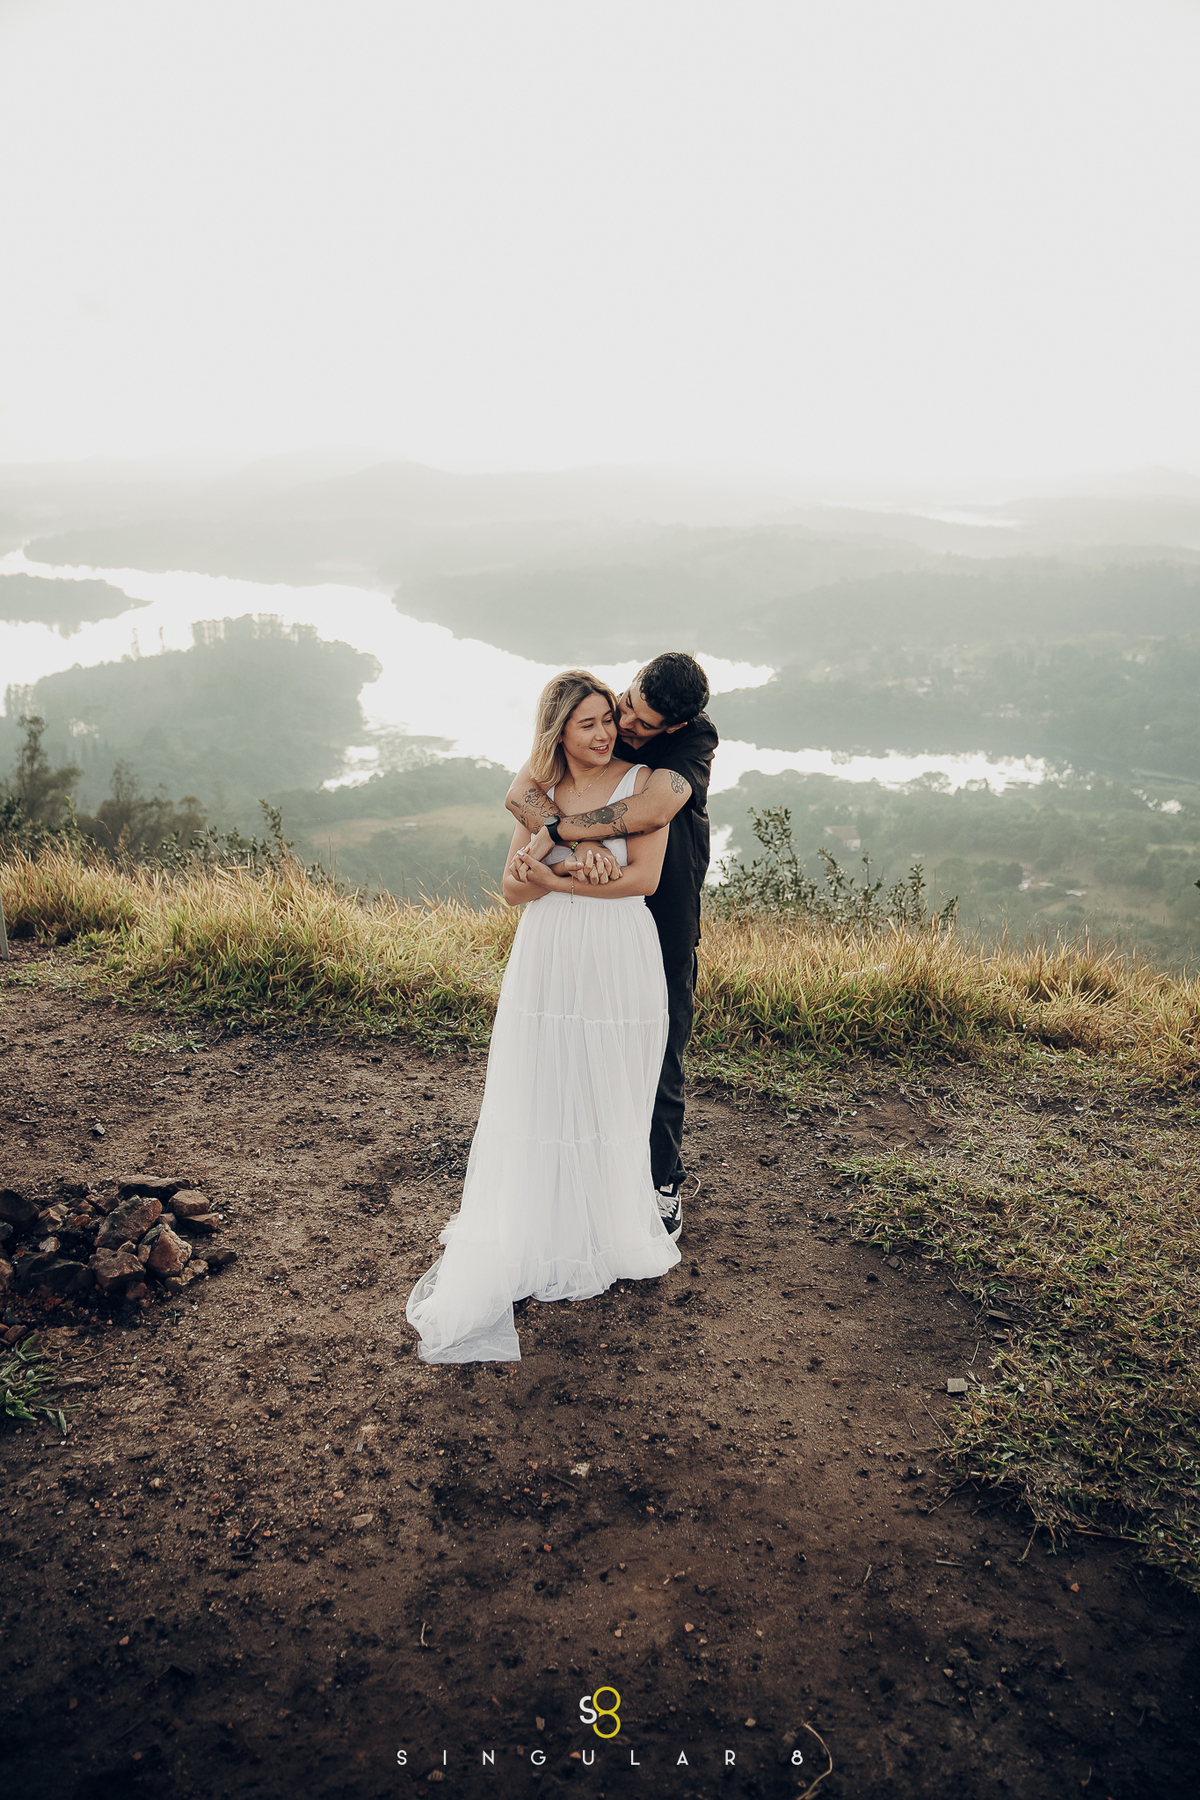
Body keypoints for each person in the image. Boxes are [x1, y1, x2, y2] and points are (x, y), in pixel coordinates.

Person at [406, 671, 681, 1365]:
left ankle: (605, 1229)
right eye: (586, 723)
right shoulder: (541, 792)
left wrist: (558, 869)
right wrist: (559, 860)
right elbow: (508, 888)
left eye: (606, 720)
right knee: (545, 1086)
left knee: (606, 1088)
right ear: (558, 730)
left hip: (618, 951)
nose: (602, 732)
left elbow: (642, 878)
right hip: (549, 950)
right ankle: (542, 1229)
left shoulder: (645, 783)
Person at [505, 651, 717, 1242]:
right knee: (577, 1037)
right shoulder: (601, 717)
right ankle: (582, 1170)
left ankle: (659, 1181)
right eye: (624, 706)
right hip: (578, 913)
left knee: (658, 1044)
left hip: (662, 907)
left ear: (670, 729)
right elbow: (520, 790)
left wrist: (565, 833)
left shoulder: (690, 742)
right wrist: (570, 852)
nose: (623, 726)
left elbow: (654, 809)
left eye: (640, 724)